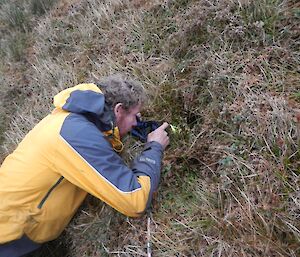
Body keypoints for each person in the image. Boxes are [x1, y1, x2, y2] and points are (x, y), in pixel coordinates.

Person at [0, 74, 169, 257]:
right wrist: (154, 148)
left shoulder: (68, 118)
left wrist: (121, 128)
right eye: (135, 116)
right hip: (9, 237)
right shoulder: (77, 135)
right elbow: (135, 200)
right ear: (119, 110)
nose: (137, 122)